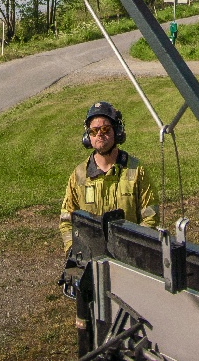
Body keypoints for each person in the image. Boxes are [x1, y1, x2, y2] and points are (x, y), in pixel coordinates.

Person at [59, 102, 158, 357]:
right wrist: (75, 254)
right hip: (91, 270)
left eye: (105, 129)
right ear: (87, 137)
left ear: (117, 132)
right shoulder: (78, 176)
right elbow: (66, 220)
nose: (99, 136)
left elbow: (151, 218)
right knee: (89, 331)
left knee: (132, 333)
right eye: (94, 131)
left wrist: (136, 255)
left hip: (129, 266)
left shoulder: (137, 172)